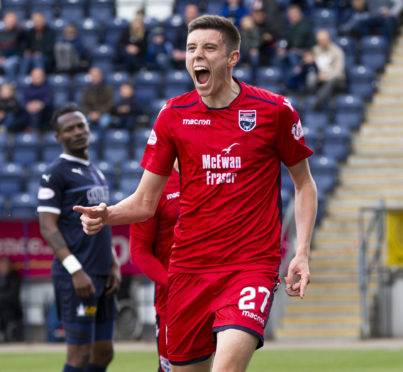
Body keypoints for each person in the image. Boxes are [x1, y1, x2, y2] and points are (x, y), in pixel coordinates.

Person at [74, 15, 317, 372]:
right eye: (191, 48)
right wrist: (107, 214)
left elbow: (304, 184)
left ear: (232, 58)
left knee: (227, 368)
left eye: (208, 48)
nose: (197, 56)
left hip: (250, 265)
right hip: (188, 270)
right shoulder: (173, 115)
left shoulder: (274, 111)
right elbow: (145, 202)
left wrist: (302, 252)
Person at [37, 104, 121, 372]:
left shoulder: (95, 171)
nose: (77, 132)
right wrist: (75, 271)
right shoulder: (55, 173)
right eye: (69, 129)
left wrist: (113, 262)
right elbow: (48, 228)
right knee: (79, 354)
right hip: (77, 276)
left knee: (104, 353)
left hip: (101, 273)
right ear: (58, 137)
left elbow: (101, 223)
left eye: (81, 125)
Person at [129, 164, 180, 372]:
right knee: (171, 369)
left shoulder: (216, 176)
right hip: (173, 300)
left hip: (217, 294)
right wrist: (174, 283)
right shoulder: (157, 185)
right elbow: (139, 250)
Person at [311, 29, 346, 110]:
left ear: (329, 39)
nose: (322, 42)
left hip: (337, 80)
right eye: (320, 41)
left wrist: (326, 76)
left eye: (323, 40)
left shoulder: (337, 51)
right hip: (320, 79)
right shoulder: (315, 50)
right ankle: (311, 96)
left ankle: (318, 101)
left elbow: (338, 71)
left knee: (331, 81)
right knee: (311, 77)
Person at [20, 12, 55, 76]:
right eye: (35, 21)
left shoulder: (50, 31)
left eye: (39, 21)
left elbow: (50, 47)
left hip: (46, 57)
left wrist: (40, 52)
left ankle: (40, 80)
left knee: (37, 58)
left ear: (43, 20)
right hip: (32, 55)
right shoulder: (30, 32)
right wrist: (27, 51)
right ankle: (22, 80)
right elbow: (24, 44)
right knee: (26, 58)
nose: (37, 23)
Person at [80, 67, 114, 134]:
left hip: (103, 113)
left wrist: (99, 113)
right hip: (90, 114)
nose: (94, 77)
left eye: (96, 75)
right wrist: (90, 113)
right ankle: (90, 140)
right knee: (85, 122)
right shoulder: (86, 90)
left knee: (104, 123)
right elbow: (83, 105)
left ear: (100, 76)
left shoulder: (108, 88)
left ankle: (101, 142)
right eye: (93, 76)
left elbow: (110, 104)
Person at [22, 67, 53, 132]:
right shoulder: (27, 88)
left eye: (38, 76)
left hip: (44, 114)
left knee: (35, 114)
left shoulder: (48, 87)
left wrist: (39, 105)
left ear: (43, 77)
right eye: (34, 76)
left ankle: (34, 135)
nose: (36, 78)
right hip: (28, 113)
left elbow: (48, 101)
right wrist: (28, 106)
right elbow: (23, 101)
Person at [0, 256, 23, 342]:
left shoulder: (15, 277)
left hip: (12, 307)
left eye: (7, 265)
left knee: (6, 310)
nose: (5, 267)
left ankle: (9, 336)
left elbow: (13, 294)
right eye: (3, 265)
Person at [0, 12, 24, 80]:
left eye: (12, 20)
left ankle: (12, 83)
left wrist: (5, 57)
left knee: (8, 65)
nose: (11, 22)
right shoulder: (1, 33)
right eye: (9, 20)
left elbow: (18, 48)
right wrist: (1, 56)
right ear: (4, 20)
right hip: (2, 57)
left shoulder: (19, 32)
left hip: (15, 57)